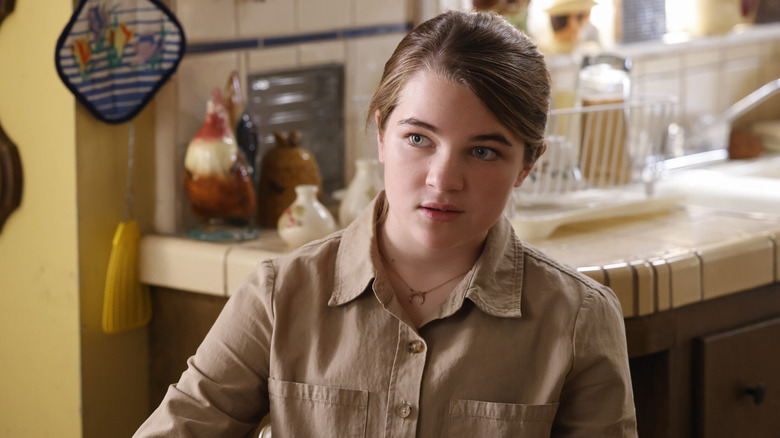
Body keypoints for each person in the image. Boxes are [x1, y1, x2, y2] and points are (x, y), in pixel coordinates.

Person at [135, 10, 637, 437]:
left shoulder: (578, 318)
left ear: (527, 164)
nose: (443, 180)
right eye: (419, 139)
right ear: (380, 133)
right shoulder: (279, 295)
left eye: (483, 151)